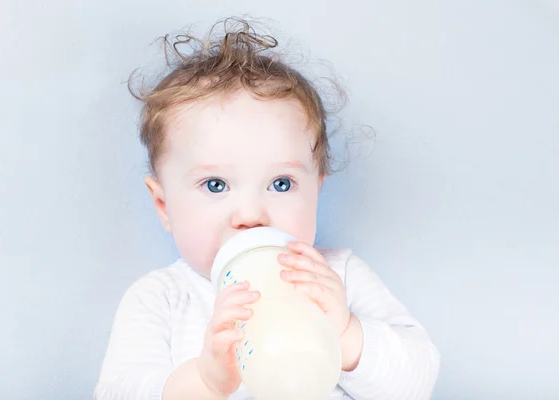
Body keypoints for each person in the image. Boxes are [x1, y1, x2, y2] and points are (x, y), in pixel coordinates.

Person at [94, 17, 440, 400]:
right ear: (163, 206)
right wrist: (203, 383)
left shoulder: (337, 277)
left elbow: (417, 381)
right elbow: (117, 391)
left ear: (317, 192)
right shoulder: (162, 299)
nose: (251, 215)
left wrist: (345, 334)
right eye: (215, 185)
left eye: (281, 184)